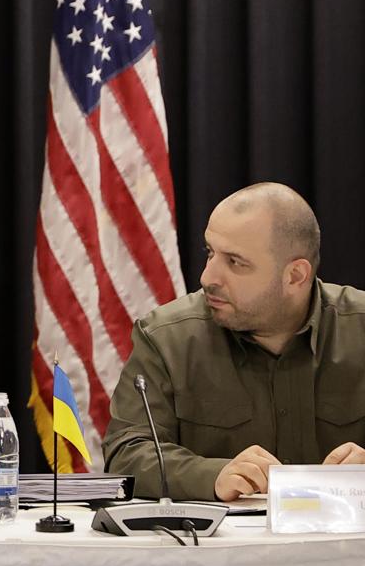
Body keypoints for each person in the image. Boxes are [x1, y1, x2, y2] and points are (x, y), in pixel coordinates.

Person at [105, 182, 365, 501]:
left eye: (235, 262)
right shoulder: (166, 338)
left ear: (295, 275)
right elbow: (126, 454)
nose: (208, 277)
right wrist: (212, 476)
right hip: (219, 548)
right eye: (210, 252)